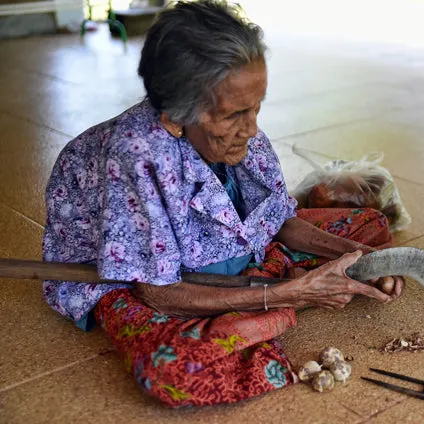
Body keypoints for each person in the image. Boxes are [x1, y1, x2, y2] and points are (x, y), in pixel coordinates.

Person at [42, 0, 404, 407]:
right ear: (176, 116)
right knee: (178, 371)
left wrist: (366, 259)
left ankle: (271, 290)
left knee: (368, 224)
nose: (251, 129)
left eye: (257, 107)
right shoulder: (137, 156)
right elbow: (158, 293)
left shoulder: (238, 126)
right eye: (235, 115)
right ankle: (278, 289)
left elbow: (278, 220)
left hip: (222, 248)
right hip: (141, 278)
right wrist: (288, 294)